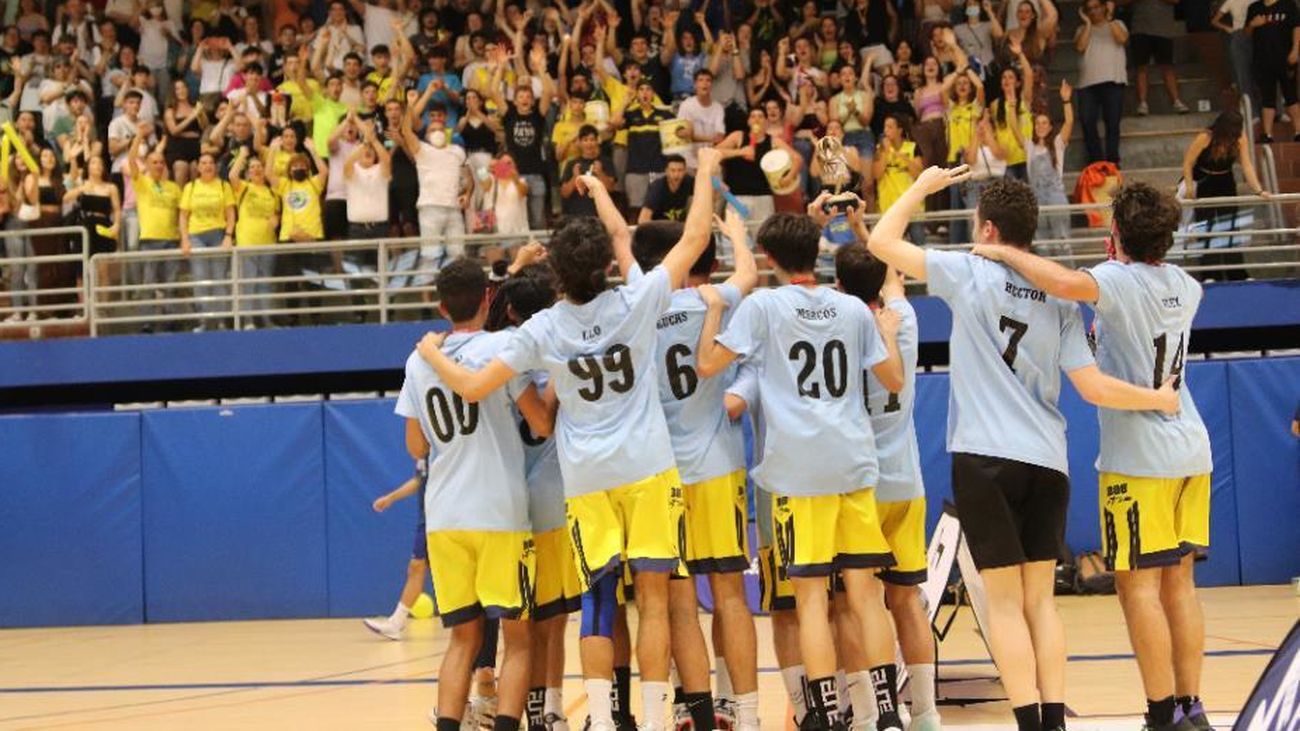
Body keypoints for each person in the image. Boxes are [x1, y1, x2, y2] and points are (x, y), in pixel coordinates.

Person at [413, 150, 722, 731]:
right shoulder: (639, 298)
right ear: (607, 265)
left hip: (586, 477)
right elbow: (697, 233)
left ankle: (603, 721)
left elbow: (476, 384)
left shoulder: (545, 327)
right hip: (650, 468)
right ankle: (654, 720)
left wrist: (431, 353)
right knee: (654, 600)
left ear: (556, 273)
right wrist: (703, 169)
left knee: (600, 602)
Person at [867, 166, 1181, 731]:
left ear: (987, 231)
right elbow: (1091, 387)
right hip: (1047, 460)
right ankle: (1056, 720)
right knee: (1042, 601)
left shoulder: (969, 273)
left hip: (985, 458)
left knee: (1006, 603)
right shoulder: (1060, 298)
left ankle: (1030, 723)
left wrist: (920, 189)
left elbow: (880, 242)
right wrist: (1157, 399)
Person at [970, 182, 1215, 731]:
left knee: (1139, 588)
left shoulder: (1115, 281)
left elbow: (1060, 281)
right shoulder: (1187, 285)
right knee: (1180, 584)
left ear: (1117, 235)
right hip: (1192, 449)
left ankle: (1159, 713)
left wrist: (1001, 249)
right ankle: (1190, 705)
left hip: (1140, 457)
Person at [693, 206, 907, 731]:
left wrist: (715, 310)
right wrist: (889, 331)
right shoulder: (852, 308)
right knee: (864, 594)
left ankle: (823, 715)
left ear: (769, 258)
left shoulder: (762, 306)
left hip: (796, 471)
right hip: (853, 462)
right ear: (818, 252)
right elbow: (895, 381)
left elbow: (707, 367)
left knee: (810, 600)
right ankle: (885, 711)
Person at [397, 256, 554, 731]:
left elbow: (415, 444)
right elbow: (540, 423)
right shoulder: (504, 347)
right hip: (499, 512)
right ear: (489, 297)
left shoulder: (419, 359)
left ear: (441, 307)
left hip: (445, 515)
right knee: (518, 638)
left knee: (461, 642)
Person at [632, 207, 761, 731]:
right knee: (730, 593)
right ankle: (745, 713)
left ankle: (691, 709)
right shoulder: (712, 300)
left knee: (676, 600)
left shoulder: (637, 307)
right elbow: (749, 276)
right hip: (717, 465)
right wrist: (736, 235)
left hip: (664, 471)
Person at [831, 248, 941, 731]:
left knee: (855, 605)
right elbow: (893, 278)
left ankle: (871, 711)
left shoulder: (842, 333)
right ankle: (926, 713)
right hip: (906, 482)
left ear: (839, 285)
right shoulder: (906, 320)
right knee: (907, 600)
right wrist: (863, 232)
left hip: (860, 486)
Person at [1179, 110, 1269, 281]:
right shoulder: (1206, 137)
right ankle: (1209, 273)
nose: (1235, 134)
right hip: (1204, 179)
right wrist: (1190, 186)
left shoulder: (1239, 138)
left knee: (1232, 227)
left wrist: (1258, 190)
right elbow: (1188, 162)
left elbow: (1247, 165)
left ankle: (1237, 273)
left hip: (1225, 180)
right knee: (1206, 227)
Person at [361, 460, 430, 641]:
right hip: (428, 520)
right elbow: (418, 481)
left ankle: (495, 618)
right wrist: (391, 497)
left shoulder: (446, 448)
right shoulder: (425, 454)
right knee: (416, 567)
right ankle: (396, 623)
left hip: (447, 519)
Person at [179, 152, 237, 330]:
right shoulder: (191, 187)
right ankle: (204, 320)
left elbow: (230, 214)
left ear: (215, 166)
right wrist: (185, 239)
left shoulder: (223, 185)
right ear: (198, 167)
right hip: (196, 235)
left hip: (218, 234)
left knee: (219, 277)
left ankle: (220, 320)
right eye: (203, 163)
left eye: (211, 162)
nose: (207, 166)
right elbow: (183, 216)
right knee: (201, 277)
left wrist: (228, 236)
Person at [716, 107, 802, 227]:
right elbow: (714, 152)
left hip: (763, 197)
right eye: (753, 116)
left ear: (766, 121)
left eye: (760, 116)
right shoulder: (738, 136)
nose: (757, 119)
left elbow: (797, 158)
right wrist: (740, 152)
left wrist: (788, 177)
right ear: (748, 121)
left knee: (763, 237)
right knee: (733, 238)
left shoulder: (773, 141)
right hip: (737, 197)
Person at [229, 146, 281, 330]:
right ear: (248, 173)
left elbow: (277, 213)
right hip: (247, 243)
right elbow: (232, 176)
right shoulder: (243, 187)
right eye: (252, 168)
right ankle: (248, 320)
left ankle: (266, 320)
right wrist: (242, 156)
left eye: (259, 166)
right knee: (248, 283)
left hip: (268, 243)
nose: (257, 170)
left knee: (265, 284)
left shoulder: (272, 191)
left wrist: (277, 218)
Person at [1074, 0, 1129, 165]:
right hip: (1087, 84)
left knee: (1112, 123)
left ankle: (1112, 161)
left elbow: (1122, 39)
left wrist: (1110, 17)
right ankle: (1096, 162)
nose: (1093, 11)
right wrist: (1088, 24)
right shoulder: (1082, 29)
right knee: (1087, 122)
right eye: (1089, 9)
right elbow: (1080, 47)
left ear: (1104, 7)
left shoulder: (1117, 23)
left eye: (1096, 7)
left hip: (1113, 80)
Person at [1028, 81, 1075, 256]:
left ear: (1049, 127)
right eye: (1037, 123)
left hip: (1056, 197)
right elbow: (1013, 125)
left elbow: (1069, 122)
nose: (1040, 126)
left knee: (1062, 242)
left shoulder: (1057, 144)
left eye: (1044, 123)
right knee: (1042, 245)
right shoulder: (1029, 147)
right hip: (1037, 199)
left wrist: (1066, 101)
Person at [1245, 0, 1300, 142]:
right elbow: (1246, 33)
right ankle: (1267, 134)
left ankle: (1298, 131)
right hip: (1263, 61)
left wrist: (1295, 50)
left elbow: (1296, 27)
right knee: (1267, 98)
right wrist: (1252, 24)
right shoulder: (1254, 8)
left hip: (1285, 58)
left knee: (1291, 96)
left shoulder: (1288, 5)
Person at [1126, 0, 1191, 115]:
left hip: (1163, 30)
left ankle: (1176, 101)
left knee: (1167, 67)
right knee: (1141, 67)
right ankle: (1142, 103)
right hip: (1139, 29)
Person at [873, 114, 926, 245]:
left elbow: (918, 175)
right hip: (889, 209)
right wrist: (886, 152)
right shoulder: (880, 150)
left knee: (918, 248)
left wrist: (902, 157)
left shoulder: (913, 147)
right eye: (885, 127)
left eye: (890, 127)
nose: (886, 130)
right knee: (891, 250)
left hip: (913, 208)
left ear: (900, 130)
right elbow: (877, 175)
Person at [990, 40, 1035, 179]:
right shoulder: (994, 105)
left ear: (1017, 82)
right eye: (1004, 77)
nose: (1007, 80)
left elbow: (1029, 75)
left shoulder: (1024, 99)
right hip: (1006, 161)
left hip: (1026, 157)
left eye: (1011, 77)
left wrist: (1020, 54)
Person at [559, 125, 616, 218]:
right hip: (575, 215)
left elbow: (611, 188)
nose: (589, 144)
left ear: (597, 141)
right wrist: (575, 177)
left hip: (600, 215)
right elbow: (565, 193)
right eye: (585, 140)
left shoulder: (606, 162)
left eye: (592, 139)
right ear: (580, 143)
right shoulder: (571, 164)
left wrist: (600, 173)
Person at [677, 69, 727, 174]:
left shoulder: (718, 108)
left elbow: (720, 137)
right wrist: (709, 138)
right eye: (701, 80)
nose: (705, 83)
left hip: (710, 161)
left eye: (708, 80)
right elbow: (683, 135)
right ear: (695, 84)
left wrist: (694, 136)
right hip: (689, 162)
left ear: (712, 84)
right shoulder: (686, 105)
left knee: (716, 188)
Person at [639, 156, 694, 223]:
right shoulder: (657, 187)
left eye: (680, 170)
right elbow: (643, 220)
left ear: (685, 171)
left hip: (680, 227)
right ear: (666, 171)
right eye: (673, 170)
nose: (676, 175)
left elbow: (708, 189)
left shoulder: (689, 182)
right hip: (658, 227)